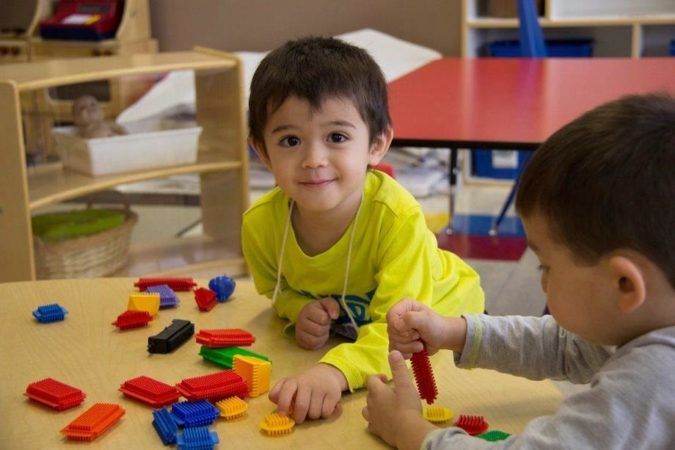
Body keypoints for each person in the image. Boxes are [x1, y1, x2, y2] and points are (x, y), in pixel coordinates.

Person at [363, 92, 675, 449]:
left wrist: (409, 431)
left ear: (624, 285)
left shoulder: (652, 379)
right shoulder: (650, 319)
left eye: (546, 266)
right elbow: (565, 347)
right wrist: (451, 331)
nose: (541, 280)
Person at [242, 36, 485, 424]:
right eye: (291, 140)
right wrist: (298, 310)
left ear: (377, 144)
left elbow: (403, 335)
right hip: (358, 336)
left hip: (448, 326)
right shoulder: (259, 225)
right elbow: (278, 290)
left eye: (336, 137)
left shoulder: (397, 217)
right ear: (262, 151)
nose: (313, 160)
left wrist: (334, 372)